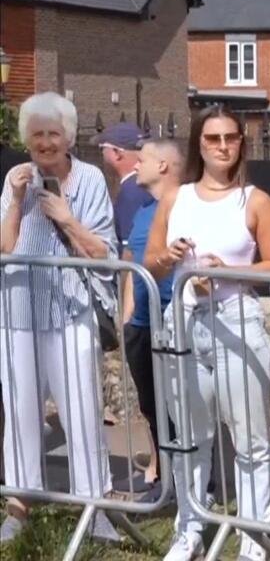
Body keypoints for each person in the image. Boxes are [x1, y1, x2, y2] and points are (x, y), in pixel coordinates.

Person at [144, 105, 270, 561]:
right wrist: (170, 258)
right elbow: (150, 260)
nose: (223, 147)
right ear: (198, 144)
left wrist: (231, 271)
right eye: (213, 139)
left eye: (230, 138)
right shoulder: (176, 198)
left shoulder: (255, 200)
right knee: (189, 436)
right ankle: (189, 529)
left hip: (235, 320)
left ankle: (252, 539)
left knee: (250, 440)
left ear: (241, 143)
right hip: (184, 324)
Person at [0, 91, 121, 543]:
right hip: (17, 312)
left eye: (53, 134)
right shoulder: (16, 178)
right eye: (37, 135)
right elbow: (5, 248)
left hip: (70, 310)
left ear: (68, 137)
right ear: (26, 140)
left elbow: (103, 251)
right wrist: (15, 201)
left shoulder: (89, 178)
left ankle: (96, 508)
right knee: (21, 412)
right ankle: (19, 507)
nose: (45, 143)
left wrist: (66, 218)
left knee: (81, 409)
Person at [119, 138, 184, 503]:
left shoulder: (187, 204)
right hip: (143, 324)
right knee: (152, 405)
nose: (134, 165)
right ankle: (167, 481)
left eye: (141, 159)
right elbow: (130, 258)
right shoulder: (143, 209)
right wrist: (129, 315)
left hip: (176, 320)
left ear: (162, 166)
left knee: (181, 403)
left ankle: (193, 482)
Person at [97, 122, 151, 253]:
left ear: (117, 153)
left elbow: (130, 248)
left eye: (102, 148)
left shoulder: (131, 192)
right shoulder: (145, 185)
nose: (102, 154)